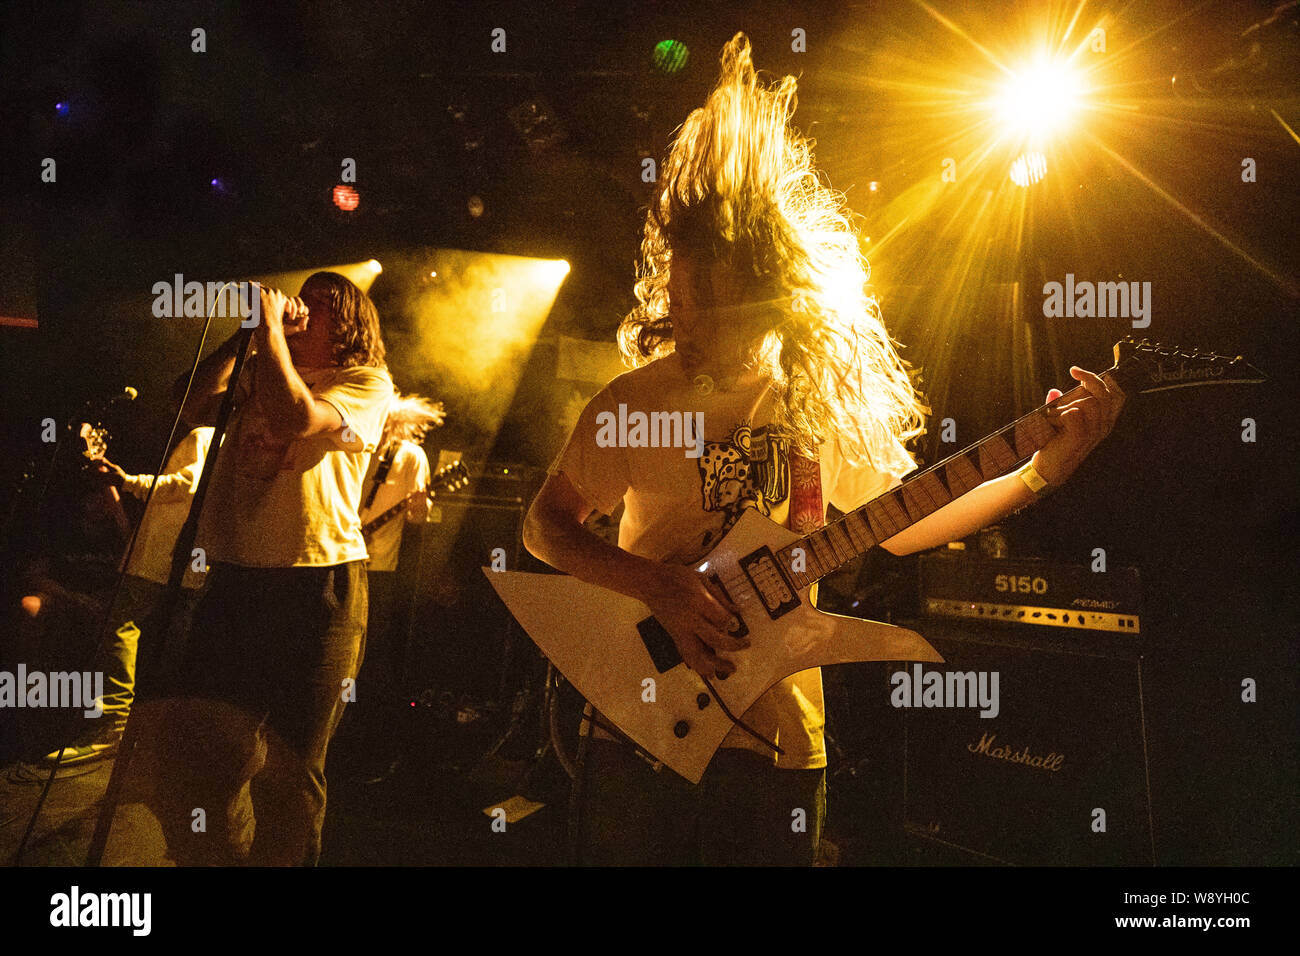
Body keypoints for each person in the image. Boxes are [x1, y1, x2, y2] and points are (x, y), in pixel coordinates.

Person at [522, 33, 1125, 866]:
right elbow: (544, 530)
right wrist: (653, 583)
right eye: (676, 280)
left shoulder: (815, 401)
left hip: (778, 740)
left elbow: (902, 524)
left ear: (751, 284)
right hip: (635, 723)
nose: (676, 301)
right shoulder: (634, 400)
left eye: (697, 287)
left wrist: (1035, 472)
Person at [155, 271, 392, 866]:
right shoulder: (256, 367)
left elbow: (296, 418)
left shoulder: (365, 382)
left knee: (290, 775)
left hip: (318, 589)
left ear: (348, 323)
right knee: (204, 758)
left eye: (317, 305)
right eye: (298, 301)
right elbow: (182, 405)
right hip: (233, 582)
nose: (300, 311)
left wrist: (268, 337)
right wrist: (243, 337)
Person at [39, 426, 213, 765]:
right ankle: (157, 735)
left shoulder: (205, 435)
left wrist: (127, 480)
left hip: (159, 558)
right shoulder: (234, 438)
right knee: (173, 647)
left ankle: (113, 727)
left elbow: (186, 485)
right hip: (196, 561)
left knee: (119, 628)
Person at [339, 390, 445, 780]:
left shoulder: (409, 456)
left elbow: (418, 517)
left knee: (371, 654)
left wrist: (421, 509)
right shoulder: (353, 445)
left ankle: (370, 742)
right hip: (340, 556)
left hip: (379, 567)